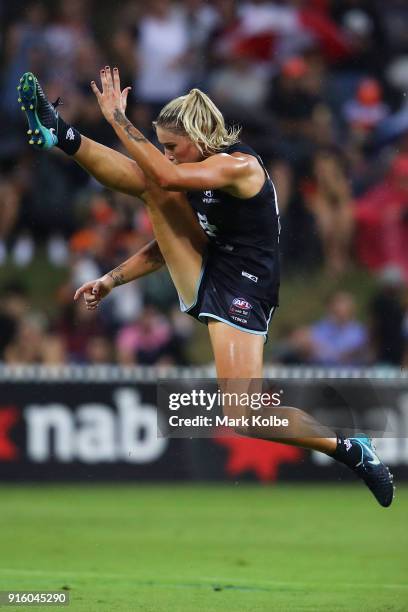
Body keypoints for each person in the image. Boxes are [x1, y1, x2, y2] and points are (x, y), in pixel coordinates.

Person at [17, 68, 394, 506]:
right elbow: (166, 242)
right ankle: (58, 133)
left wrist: (119, 119)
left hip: (246, 290)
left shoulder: (239, 166)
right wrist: (111, 279)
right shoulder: (187, 173)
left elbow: (167, 180)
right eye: (163, 148)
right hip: (209, 270)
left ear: (199, 137)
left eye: (173, 147)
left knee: (245, 416)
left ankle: (350, 449)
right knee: (153, 185)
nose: (169, 155)